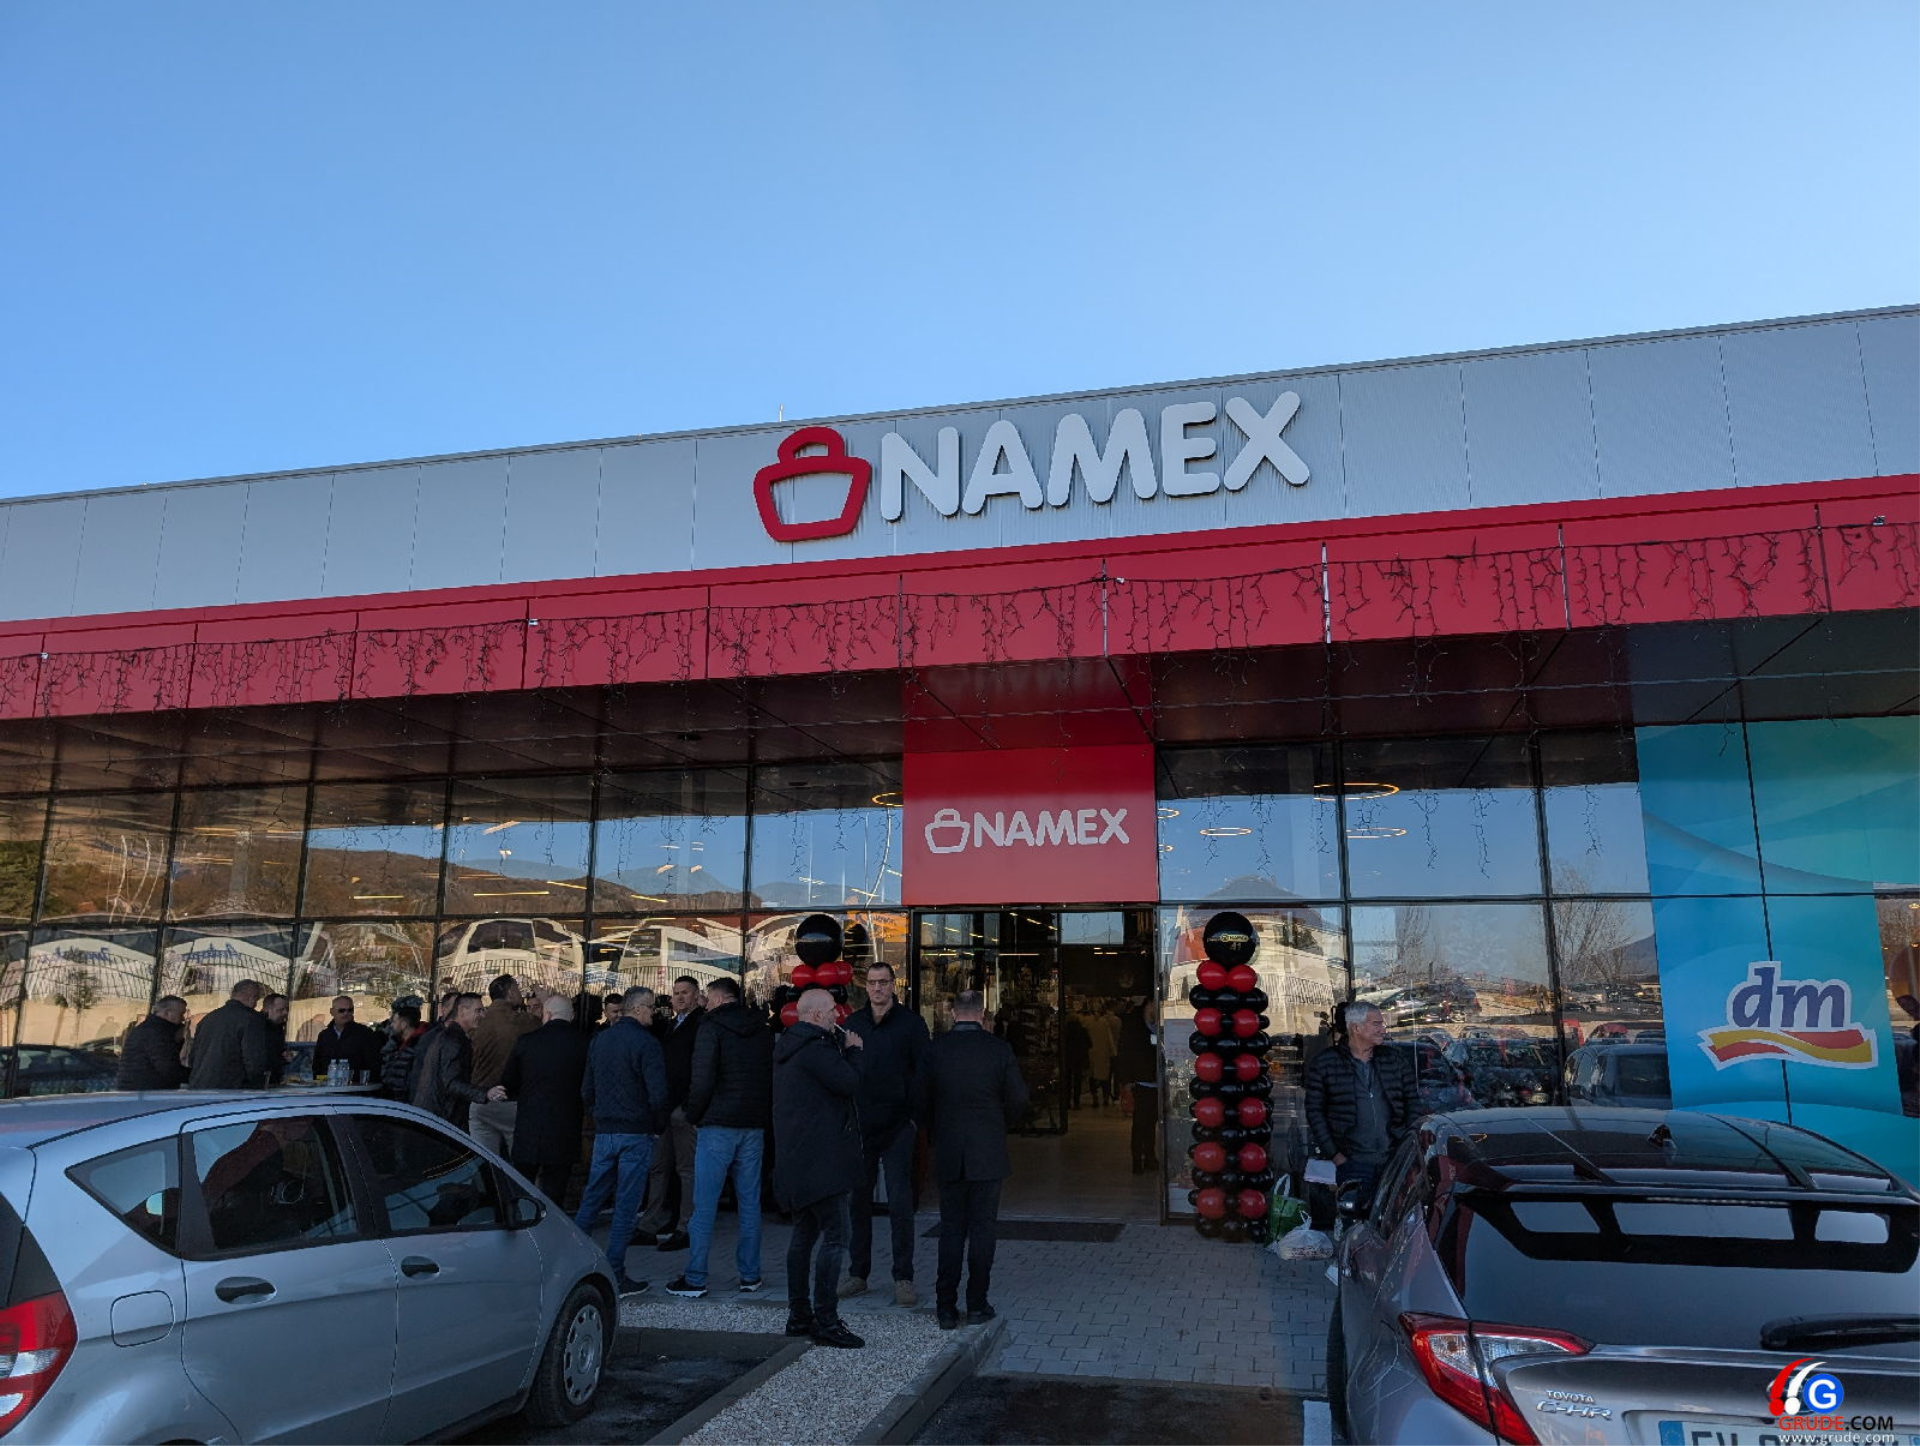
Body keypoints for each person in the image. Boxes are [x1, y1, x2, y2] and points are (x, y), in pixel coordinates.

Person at [928, 990, 1029, 1330]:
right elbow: (1019, 1098)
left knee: (951, 1229)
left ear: (953, 1013)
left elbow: (919, 1097)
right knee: (983, 1229)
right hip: (987, 1149)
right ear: (983, 1015)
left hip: (949, 1149)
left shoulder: (936, 1049)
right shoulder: (998, 1050)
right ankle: (977, 1303)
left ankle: (945, 1306)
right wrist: (1000, 1125)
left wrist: (936, 1130)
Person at [668, 975, 773, 1298]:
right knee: (749, 1203)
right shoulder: (762, 1029)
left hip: (717, 1124)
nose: (704, 1002)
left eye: (707, 997)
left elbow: (702, 1079)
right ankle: (750, 1275)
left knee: (704, 1204)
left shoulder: (710, 1027)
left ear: (717, 998)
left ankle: (696, 1277)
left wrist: (693, 1115)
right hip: (752, 1123)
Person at [772, 987, 865, 1349]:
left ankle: (799, 1315)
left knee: (804, 1235)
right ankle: (826, 1318)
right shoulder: (815, 1049)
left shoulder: (790, 1046)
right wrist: (854, 1051)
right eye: (831, 1012)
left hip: (799, 1159)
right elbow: (849, 1082)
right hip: (823, 1161)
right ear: (814, 1016)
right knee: (836, 1237)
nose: (836, 1017)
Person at [841, 961, 931, 1307]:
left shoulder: (911, 1024)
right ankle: (858, 1274)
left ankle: (903, 1277)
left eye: (883, 982)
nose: (878, 988)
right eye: (872, 982)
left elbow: (924, 1073)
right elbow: (843, 1070)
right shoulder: (853, 1024)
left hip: (898, 1126)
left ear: (894, 985)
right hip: (862, 1126)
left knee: (900, 1203)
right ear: (865, 987)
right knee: (858, 1202)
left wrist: (914, 1119)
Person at [575, 985, 669, 1296]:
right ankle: (615, 1271)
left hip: (606, 1129)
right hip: (636, 1131)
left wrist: (599, 1114)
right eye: (651, 1006)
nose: (654, 1012)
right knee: (626, 1205)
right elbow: (658, 1094)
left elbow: (586, 1089)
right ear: (638, 1008)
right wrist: (657, 1126)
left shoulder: (601, 1040)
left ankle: (574, 1265)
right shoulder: (647, 1043)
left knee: (592, 1198)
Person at [1302, 1002, 1422, 1210]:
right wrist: (1336, 1156)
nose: (1383, 1029)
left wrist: (1406, 1145)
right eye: (1376, 1024)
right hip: (1353, 1162)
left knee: (1394, 1219)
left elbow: (1412, 1102)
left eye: (1382, 1024)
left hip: (1393, 1161)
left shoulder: (1394, 1059)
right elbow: (1314, 1112)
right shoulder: (1325, 1063)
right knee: (1355, 1219)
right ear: (1355, 1028)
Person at [500, 991, 591, 1204]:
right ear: (572, 1016)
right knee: (556, 1191)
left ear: (547, 1014)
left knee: (523, 1190)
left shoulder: (527, 1041)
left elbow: (508, 1081)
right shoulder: (585, 1043)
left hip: (530, 1126)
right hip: (566, 1127)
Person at [636, 975, 704, 1253]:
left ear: (697, 995)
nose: (679, 997)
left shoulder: (700, 1024)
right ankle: (651, 1224)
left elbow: (700, 1067)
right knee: (659, 1167)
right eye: (676, 993)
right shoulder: (672, 1025)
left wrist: (690, 1105)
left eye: (685, 992)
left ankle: (685, 1227)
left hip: (683, 1107)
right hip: (667, 1106)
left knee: (686, 1169)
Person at [469, 974, 542, 1156]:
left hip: (479, 1100)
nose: (520, 993)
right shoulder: (521, 1021)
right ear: (510, 992)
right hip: (508, 1101)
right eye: (517, 989)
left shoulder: (479, 1021)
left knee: (486, 1162)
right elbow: (545, 1026)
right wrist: (545, 1001)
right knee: (519, 1161)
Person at [408, 992, 497, 1131]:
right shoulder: (454, 1040)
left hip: (438, 1116)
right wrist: (485, 1094)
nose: (483, 1015)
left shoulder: (451, 1037)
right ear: (462, 1011)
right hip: (443, 1118)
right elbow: (451, 1083)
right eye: (478, 1010)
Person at [187, 979, 275, 1090]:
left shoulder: (208, 1018)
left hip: (199, 1085)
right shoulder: (251, 1019)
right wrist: (258, 1084)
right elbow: (254, 1059)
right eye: (256, 999)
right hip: (232, 1088)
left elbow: (193, 1057)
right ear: (251, 997)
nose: (255, 1004)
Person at [1115, 997, 1161, 1173]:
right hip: (1140, 1082)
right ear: (1149, 1004)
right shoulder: (1134, 1026)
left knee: (1151, 1123)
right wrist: (1126, 1081)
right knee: (1140, 1122)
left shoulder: (1158, 1025)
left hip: (1156, 1082)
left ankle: (1150, 1156)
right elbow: (1124, 1053)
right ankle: (1137, 1158)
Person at [116, 995, 188, 1090]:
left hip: (140, 1091)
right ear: (167, 1013)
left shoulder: (149, 1029)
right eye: (181, 1014)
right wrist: (196, 1075)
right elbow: (169, 1069)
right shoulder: (157, 1033)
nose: (183, 1019)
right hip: (146, 1092)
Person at [312, 995, 383, 1082]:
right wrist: (324, 1081)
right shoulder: (324, 1036)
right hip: (329, 1088)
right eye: (341, 1010)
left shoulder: (364, 1033)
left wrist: (358, 1083)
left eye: (350, 1010)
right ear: (332, 1012)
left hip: (356, 1087)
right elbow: (317, 1068)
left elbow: (374, 1066)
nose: (346, 1013)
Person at [380, 1000, 426, 1099]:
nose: (391, 1025)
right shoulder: (396, 1044)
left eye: (394, 1021)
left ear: (404, 1024)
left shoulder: (419, 1047)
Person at [1087, 1003, 1119, 1107]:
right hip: (1103, 1053)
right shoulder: (1104, 1023)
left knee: (1092, 1076)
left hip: (1091, 1053)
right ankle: (1105, 1097)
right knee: (1105, 1077)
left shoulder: (1088, 1022)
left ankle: (1095, 1096)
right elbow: (1109, 1039)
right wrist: (1113, 1052)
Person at [1063, 1008, 1091, 1109]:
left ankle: (1067, 1101)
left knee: (1067, 1080)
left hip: (1067, 1058)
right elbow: (1089, 1044)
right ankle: (1076, 1102)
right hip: (1079, 1058)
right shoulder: (1083, 1030)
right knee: (1077, 1080)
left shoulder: (1064, 1031)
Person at [260, 993, 291, 1085]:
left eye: (287, 1009)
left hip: (275, 1080)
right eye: (280, 1010)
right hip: (260, 1082)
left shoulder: (278, 1027)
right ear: (267, 1010)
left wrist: (285, 1055)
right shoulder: (256, 1028)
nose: (285, 1013)